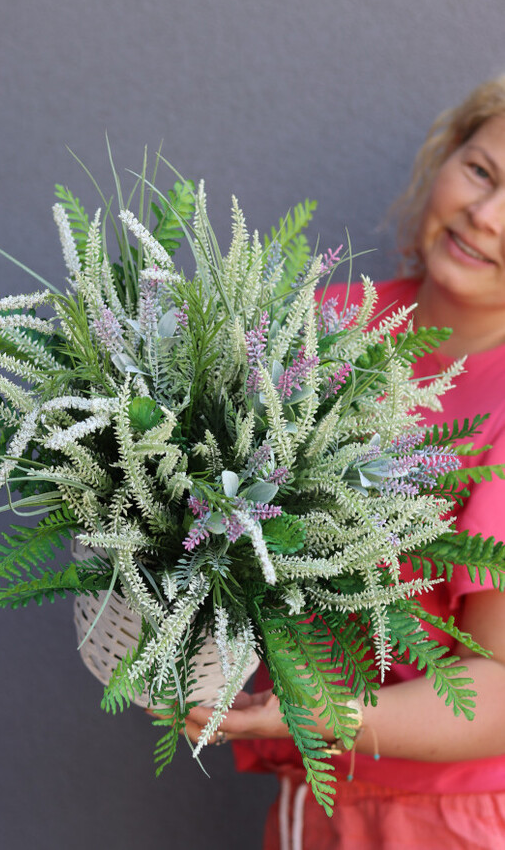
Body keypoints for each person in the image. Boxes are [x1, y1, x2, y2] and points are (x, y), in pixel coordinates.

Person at [184, 75, 505, 849]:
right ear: (443, 157)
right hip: (312, 798)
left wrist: (315, 710)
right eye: (482, 172)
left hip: (438, 821)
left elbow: (497, 693)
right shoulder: (328, 325)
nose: (487, 217)